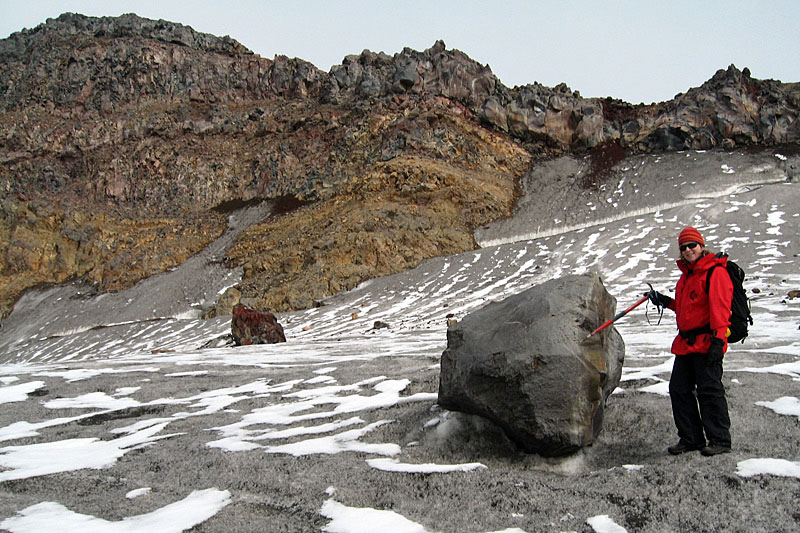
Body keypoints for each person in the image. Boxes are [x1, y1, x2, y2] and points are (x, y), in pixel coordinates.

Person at [648, 226, 733, 456]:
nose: (687, 250)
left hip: (707, 342)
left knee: (709, 391)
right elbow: (686, 308)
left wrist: (718, 341)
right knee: (678, 389)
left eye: (692, 245)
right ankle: (691, 438)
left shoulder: (715, 273)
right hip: (686, 344)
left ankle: (720, 440)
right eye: (683, 247)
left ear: (701, 245)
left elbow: (720, 309)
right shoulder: (685, 277)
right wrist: (665, 301)